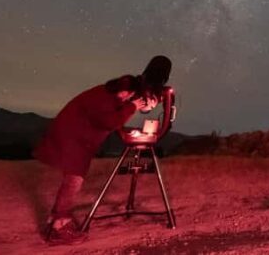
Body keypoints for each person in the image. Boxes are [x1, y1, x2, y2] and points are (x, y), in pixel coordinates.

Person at [33, 55, 172, 245]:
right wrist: (132, 106)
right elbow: (109, 121)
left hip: (77, 132)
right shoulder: (121, 92)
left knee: (74, 178)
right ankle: (58, 228)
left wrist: (144, 102)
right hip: (74, 133)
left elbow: (118, 111)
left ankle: (55, 221)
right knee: (74, 180)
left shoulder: (124, 87)